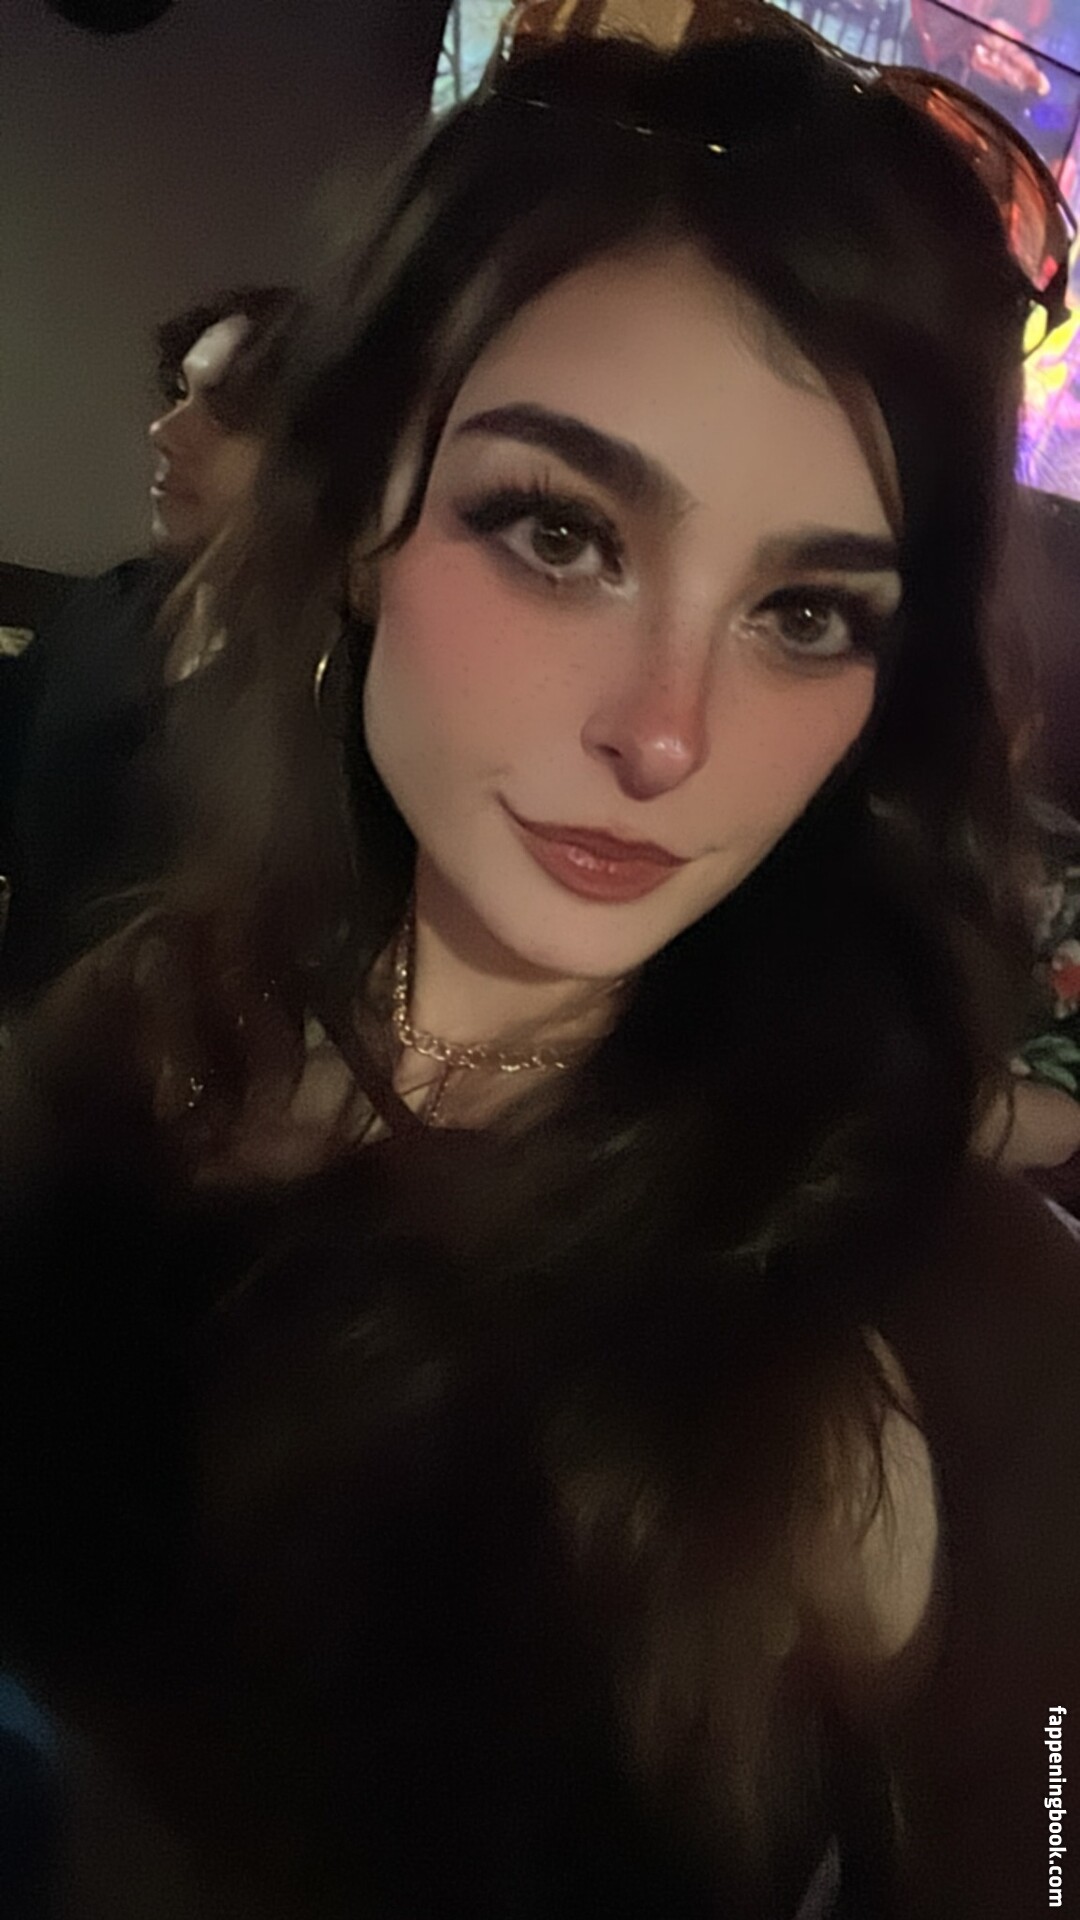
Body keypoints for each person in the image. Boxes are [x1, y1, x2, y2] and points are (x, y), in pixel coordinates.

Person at [2, 5, 1079, 1915]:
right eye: (562, 532)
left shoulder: (957, 1324)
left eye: (807, 612)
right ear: (363, 521)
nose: (667, 735)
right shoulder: (152, 1021)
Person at [0, 285, 297, 1005]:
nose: (166, 431)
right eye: (179, 393)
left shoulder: (333, 694)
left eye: (227, 413)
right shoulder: (111, 604)